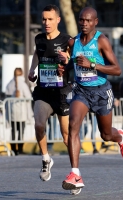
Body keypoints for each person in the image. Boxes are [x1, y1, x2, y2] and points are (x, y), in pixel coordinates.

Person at [57, 7, 123, 193]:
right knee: (73, 125)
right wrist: (64, 69)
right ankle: (75, 174)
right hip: (81, 91)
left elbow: (117, 69)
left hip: (101, 92)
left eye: (88, 21)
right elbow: (71, 67)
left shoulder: (101, 40)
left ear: (95, 22)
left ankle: (121, 137)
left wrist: (92, 64)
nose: (84, 24)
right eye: (81, 20)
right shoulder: (73, 42)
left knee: (106, 135)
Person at [28, 4, 71, 183]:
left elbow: (72, 60)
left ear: (58, 20)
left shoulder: (67, 39)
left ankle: (75, 172)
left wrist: (66, 60)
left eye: (50, 19)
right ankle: (46, 159)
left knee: (66, 135)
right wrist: (32, 70)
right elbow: (37, 55)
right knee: (39, 125)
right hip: (43, 90)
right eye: (44, 19)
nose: (46, 22)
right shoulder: (38, 39)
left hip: (62, 92)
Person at [5, 68, 33, 155]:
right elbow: (28, 96)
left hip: (12, 112)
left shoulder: (10, 84)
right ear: (22, 74)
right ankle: (20, 149)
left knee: (13, 131)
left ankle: (13, 149)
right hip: (22, 112)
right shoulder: (23, 84)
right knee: (21, 131)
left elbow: (6, 94)